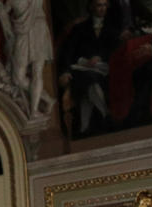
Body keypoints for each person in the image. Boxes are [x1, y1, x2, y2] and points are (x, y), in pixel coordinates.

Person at [58, 0, 120, 135]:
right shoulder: (79, 28)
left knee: (90, 88)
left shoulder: (113, 28)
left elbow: (116, 50)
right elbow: (68, 51)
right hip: (81, 70)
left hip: (105, 71)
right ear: (92, 7)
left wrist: (100, 57)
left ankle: (84, 128)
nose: (102, 8)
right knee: (90, 80)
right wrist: (65, 71)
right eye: (99, 5)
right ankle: (106, 115)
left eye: (104, 5)